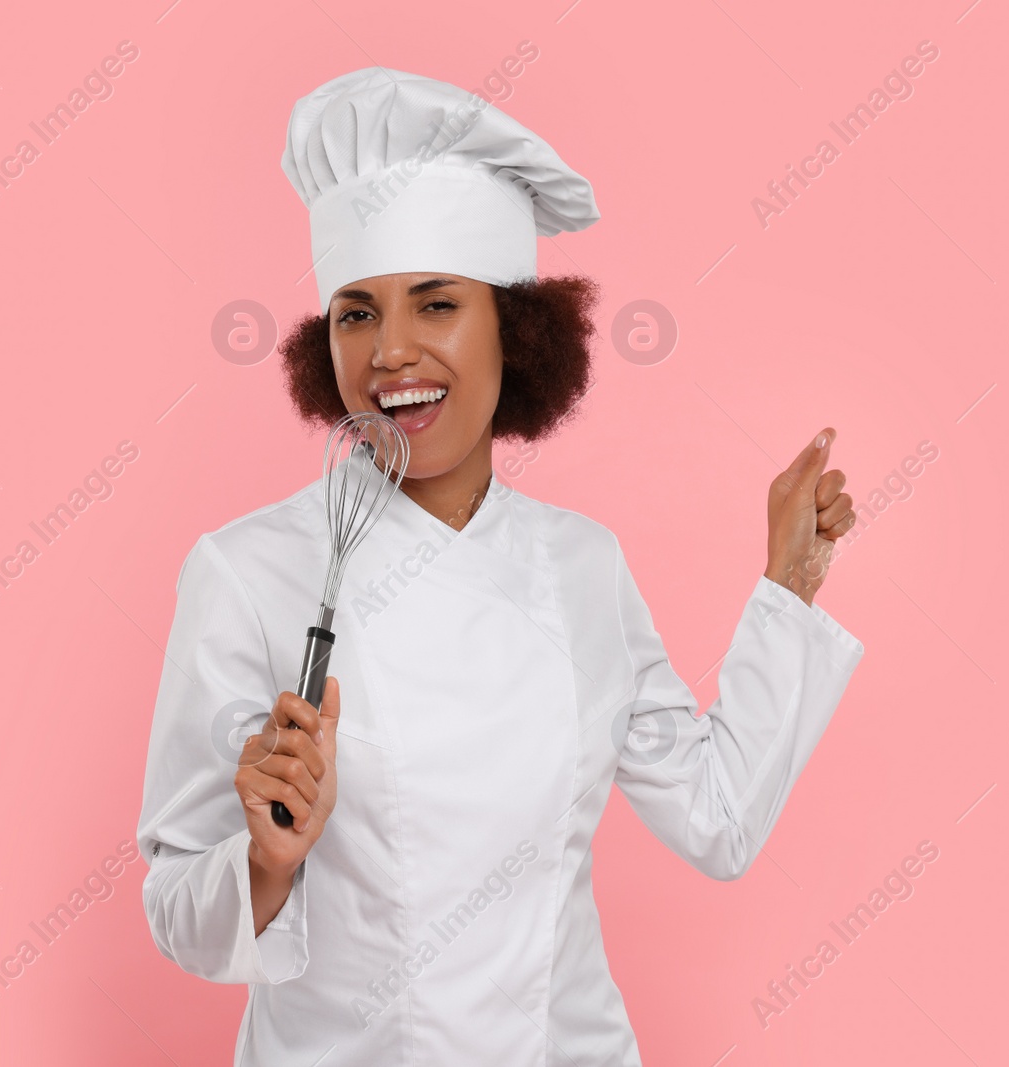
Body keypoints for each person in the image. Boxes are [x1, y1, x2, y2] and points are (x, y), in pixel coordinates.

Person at [136, 66, 865, 1066]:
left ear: (513, 334)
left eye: (435, 304)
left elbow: (716, 818)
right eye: (356, 312)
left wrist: (790, 584)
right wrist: (266, 857)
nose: (390, 352)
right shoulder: (245, 572)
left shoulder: (581, 564)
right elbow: (178, 907)